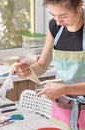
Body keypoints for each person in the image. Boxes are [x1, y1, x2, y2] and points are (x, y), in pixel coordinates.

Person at [15, 0, 85, 130]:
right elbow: (41, 65)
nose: (58, 22)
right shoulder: (55, 27)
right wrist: (28, 71)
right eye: (53, 15)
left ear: (80, 4)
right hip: (63, 106)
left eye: (63, 16)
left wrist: (64, 89)